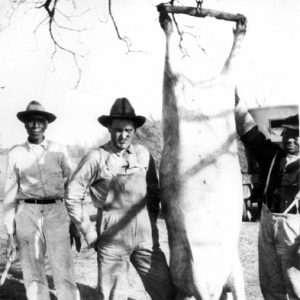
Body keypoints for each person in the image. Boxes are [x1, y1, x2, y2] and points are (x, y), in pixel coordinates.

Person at [64, 97, 175, 300]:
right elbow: (72, 195)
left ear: (134, 130)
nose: (123, 136)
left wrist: (149, 223)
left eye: (128, 130)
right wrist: (88, 232)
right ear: (109, 128)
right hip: (112, 235)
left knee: (166, 291)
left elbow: (153, 191)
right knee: (112, 296)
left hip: (145, 236)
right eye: (118, 130)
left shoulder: (143, 154)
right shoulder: (96, 157)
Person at [3, 101, 80, 300]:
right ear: (25, 125)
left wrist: (75, 222)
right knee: (33, 271)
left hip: (57, 211)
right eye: (31, 121)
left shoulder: (58, 150)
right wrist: (10, 234)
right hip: (27, 214)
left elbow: (73, 186)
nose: (35, 125)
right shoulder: (15, 154)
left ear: (46, 124)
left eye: (40, 121)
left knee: (63, 269)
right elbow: (10, 198)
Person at [235, 94, 300, 300]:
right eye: (287, 133)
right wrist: (236, 104)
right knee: (270, 282)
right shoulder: (273, 156)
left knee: (295, 283)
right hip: (267, 221)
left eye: (297, 135)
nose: (290, 139)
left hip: (294, 229)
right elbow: (250, 135)